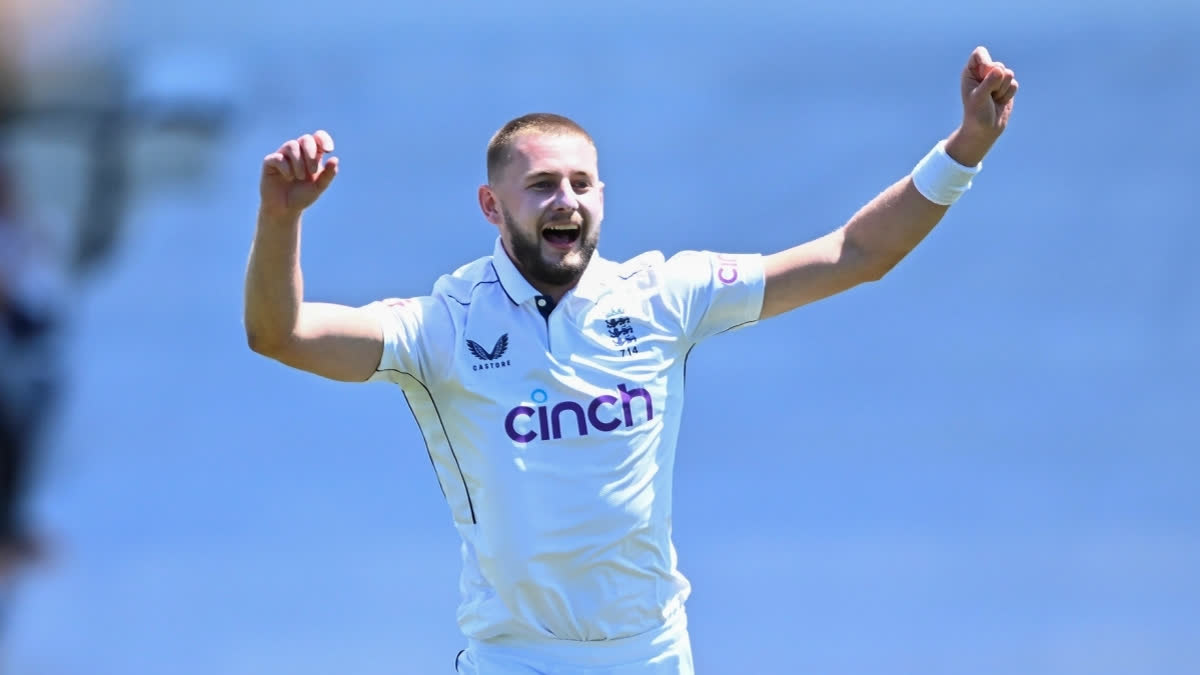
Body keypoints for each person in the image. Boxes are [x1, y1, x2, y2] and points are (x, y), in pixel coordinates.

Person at [243, 46, 1019, 674]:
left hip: (649, 652)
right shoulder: (441, 324)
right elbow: (281, 335)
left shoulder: (661, 295)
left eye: (581, 183)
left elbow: (856, 254)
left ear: (603, 198)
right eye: (541, 184)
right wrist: (281, 222)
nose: (566, 201)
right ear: (492, 206)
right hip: (515, 658)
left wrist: (966, 148)